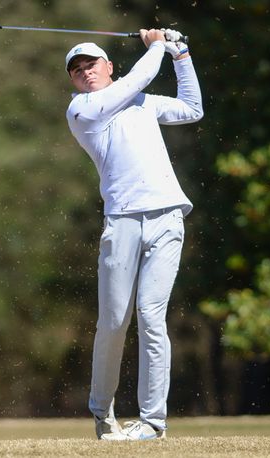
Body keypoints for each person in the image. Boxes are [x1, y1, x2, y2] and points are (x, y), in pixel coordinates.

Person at [64, 28, 203, 440]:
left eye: (92, 65)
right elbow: (136, 80)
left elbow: (192, 109)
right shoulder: (83, 110)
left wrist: (181, 56)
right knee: (113, 320)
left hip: (166, 217)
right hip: (122, 221)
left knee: (150, 315)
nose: (85, 73)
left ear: (109, 66)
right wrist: (158, 45)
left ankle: (153, 422)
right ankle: (102, 415)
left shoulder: (141, 103)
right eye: (77, 70)